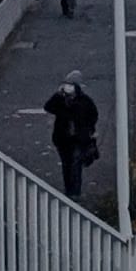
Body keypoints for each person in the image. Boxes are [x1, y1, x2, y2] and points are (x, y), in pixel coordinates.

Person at [46, 70, 99, 199]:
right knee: (67, 164)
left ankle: (75, 192)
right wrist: (58, 96)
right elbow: (48, 107)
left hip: (78, 138)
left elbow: (93, 115)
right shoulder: (60, 99)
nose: (68, 87)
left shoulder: (85, 101)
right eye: (66, 84)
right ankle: (69, 190)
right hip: (62, 138)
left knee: (76, 163)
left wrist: (88, 129)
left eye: (71, 85)